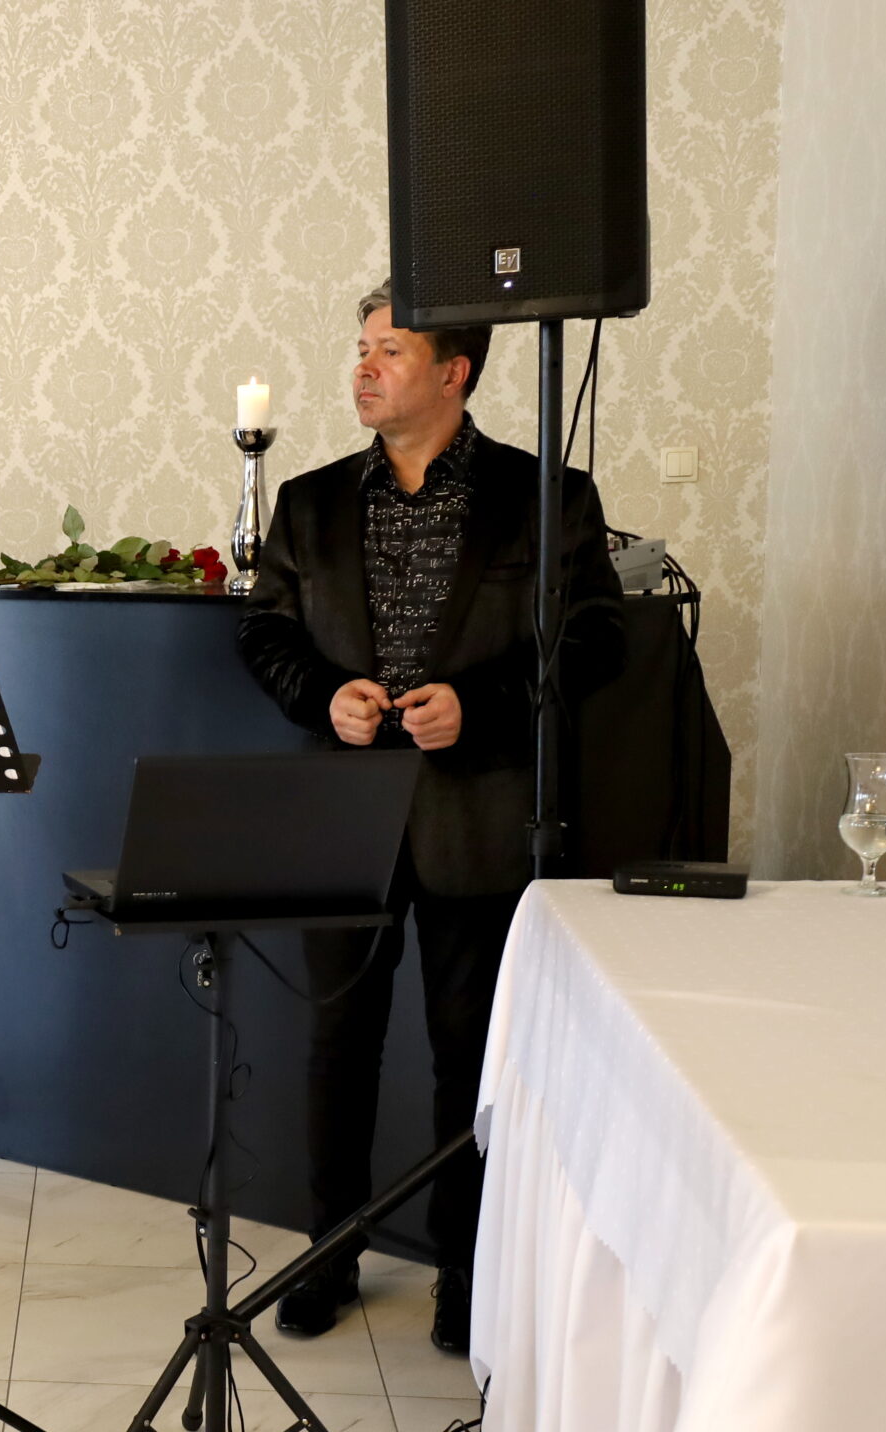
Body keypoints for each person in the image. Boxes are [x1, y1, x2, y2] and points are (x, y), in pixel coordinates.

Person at [238, 282, 623, 1354]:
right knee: (337, 1048)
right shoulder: (309, 501)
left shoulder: (546, 495)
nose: (363, 368)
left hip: (481, 814)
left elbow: (598, 635)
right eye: (360, 348)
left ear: (454, 372)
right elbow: (264, 633)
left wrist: (484, 704)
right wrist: (323, 696)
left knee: (470, 1060)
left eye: (390, 351)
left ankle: (466, 1272)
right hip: (344, 818)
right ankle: (329, 1254)